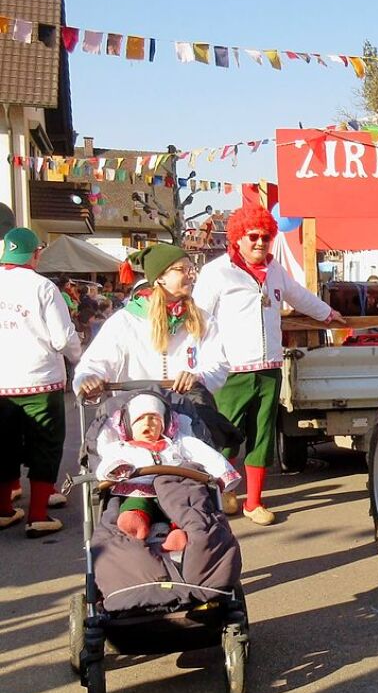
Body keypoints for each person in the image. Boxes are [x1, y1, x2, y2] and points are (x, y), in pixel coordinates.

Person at [192, 205, 344, 526]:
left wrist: (326, 314)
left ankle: (255, 501)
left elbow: (298, 295)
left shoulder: (274, 270)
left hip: (270, 366)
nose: (260, 243)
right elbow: (198, 320)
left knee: (262, 436)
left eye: (266, 237)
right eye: (254, 237)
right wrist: (196, 363)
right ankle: (223, 493)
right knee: (226, 435)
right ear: (238, 238)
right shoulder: (216, 272)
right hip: (230, 370)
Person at [0, 228, 83, 536]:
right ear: (35, 254)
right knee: (44, 444)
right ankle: (38, 514)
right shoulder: (43, 287)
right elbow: (63, 338)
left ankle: (4, 508)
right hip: (39, 379)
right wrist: (80, 358)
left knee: (4, 444)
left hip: (1, 381)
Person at [74, 243, 228, 400]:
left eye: (191, 269)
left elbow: (218, 365)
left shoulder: (202, 319)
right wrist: (89, 379)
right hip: (138, 414)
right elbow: (94, 363)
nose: (191, 275)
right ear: (160, 277)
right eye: (182, 269)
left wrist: (199, 377)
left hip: (188, 412)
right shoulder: (125, 321)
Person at [97, 394, 240, 551]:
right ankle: (136, 520)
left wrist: (223, 474)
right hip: (139, 490)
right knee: (135, 504)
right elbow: (106, 463)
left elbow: (206, 454)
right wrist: (117, 468)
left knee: (180, 508)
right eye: (140, 419)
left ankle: (177, 532)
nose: (148, 423)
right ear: (127, 426)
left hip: (174, 490)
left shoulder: (177, 443)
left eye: (154, 419)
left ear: (166, 425)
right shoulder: (122, 448)